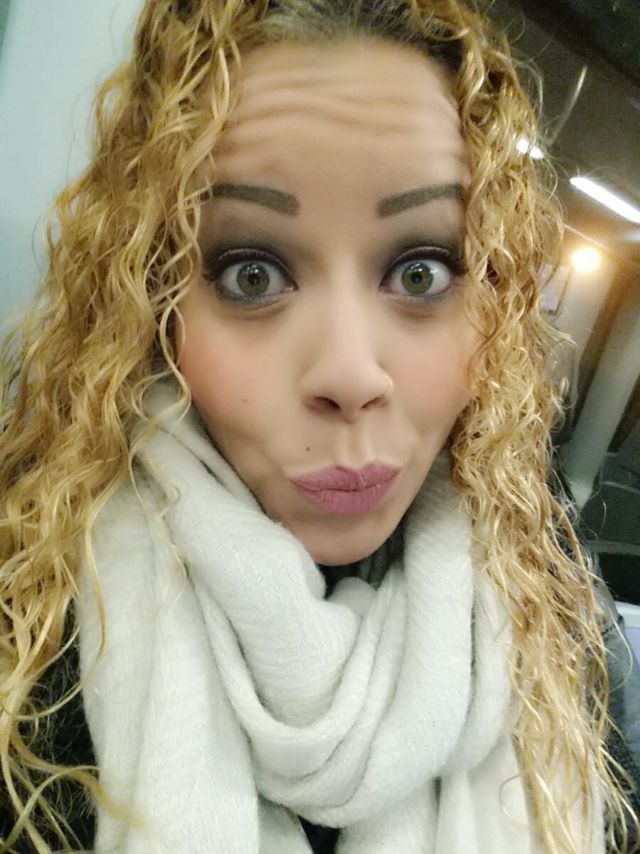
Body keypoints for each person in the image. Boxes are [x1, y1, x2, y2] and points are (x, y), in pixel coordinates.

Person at [0, 0, 638, 852]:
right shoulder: (29, 624)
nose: (350, 373)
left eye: (421, 272)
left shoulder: (553, 604)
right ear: (151, 308)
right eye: (253, 274)